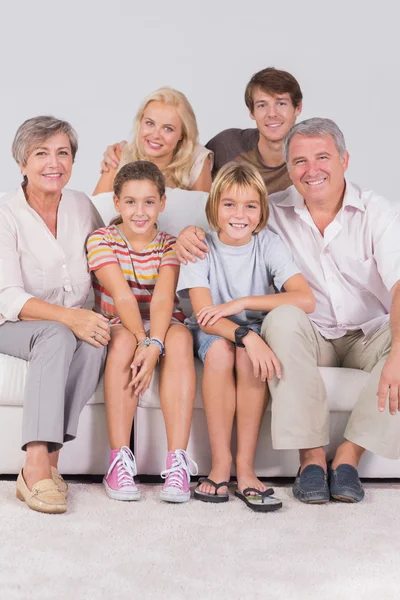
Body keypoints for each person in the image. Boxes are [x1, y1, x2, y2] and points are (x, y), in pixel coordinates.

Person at [175, 117, 400, 505]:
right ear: (288, 168)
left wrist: (397, 352)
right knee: (280, 319)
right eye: (299, 161)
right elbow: (224, 219)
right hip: (311, 333)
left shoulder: (378, 213)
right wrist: (184, 232)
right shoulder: (273, 211)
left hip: (370, 330)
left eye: (323, 157)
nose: (311, 170)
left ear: (345, 159)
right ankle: (311, 459)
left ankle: (347, 458)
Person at [176, 161, 315, 512]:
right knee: (226, 352)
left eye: (250, 206)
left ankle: (245, 468)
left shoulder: (268, 244)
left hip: (251, 330)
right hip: (215, 332)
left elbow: (305, 298)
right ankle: (220, 464)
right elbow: (206, 316)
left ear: (261, 211)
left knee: (247, 358)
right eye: (229, 205)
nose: (240, 215)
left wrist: (243, 304)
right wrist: (246, 336)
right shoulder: (200, 247)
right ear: (215, 208)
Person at [0, 116, 109, 514]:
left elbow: (107, 256)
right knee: (59, 335)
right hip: (9, 323)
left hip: (63, 322)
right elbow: (8, 296)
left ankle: (52, 462)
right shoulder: (6, 214)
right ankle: (34, 466)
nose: (54, 162)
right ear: (22, 162)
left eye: (62, 153)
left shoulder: (81, 204)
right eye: (41, 153)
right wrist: (70, 318)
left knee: (96, 340)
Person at [87, 160, 198, 503]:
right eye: (130, 202)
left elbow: (164, 298)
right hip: (122, 322)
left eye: (149, 202)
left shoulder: (169, 245)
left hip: (162, 324)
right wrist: (140, 340)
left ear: (162, 203)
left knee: (180, 340)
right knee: (120, 342)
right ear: (116, 203)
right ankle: (119, 460)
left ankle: (177, 462)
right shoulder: (101, 239)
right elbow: (121, 295)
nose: (139, 211)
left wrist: (155, 344)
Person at [94, 87, 213, 195]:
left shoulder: (196, 158)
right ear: (140, 122)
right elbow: (94, 214)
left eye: (168, 129)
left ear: (182, 134)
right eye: (149, 123)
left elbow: (204, 216)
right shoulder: (119, 156)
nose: (156, 135)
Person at [206, 67, 303, 193]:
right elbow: (187, 166)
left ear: (298, 108)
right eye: (262, 105)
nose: (272, 114)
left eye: (281, 103)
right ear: (251, 112)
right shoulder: (227, 145)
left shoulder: (310, 157)